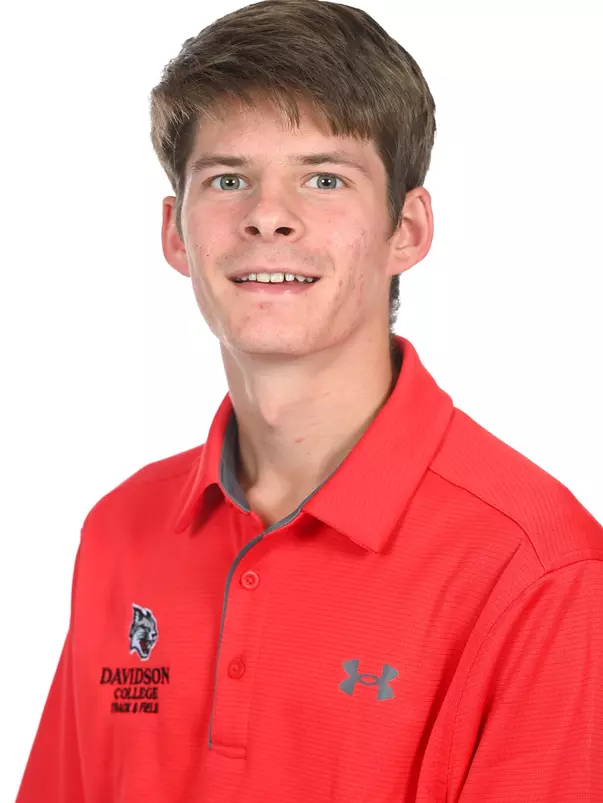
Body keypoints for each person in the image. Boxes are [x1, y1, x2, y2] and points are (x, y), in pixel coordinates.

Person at [16, 1, 603, 801]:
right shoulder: (119, 530)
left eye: (323, 178)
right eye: (228, 179)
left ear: (407, 228)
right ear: (177, 233)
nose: (267, 216)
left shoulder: (538, 568)